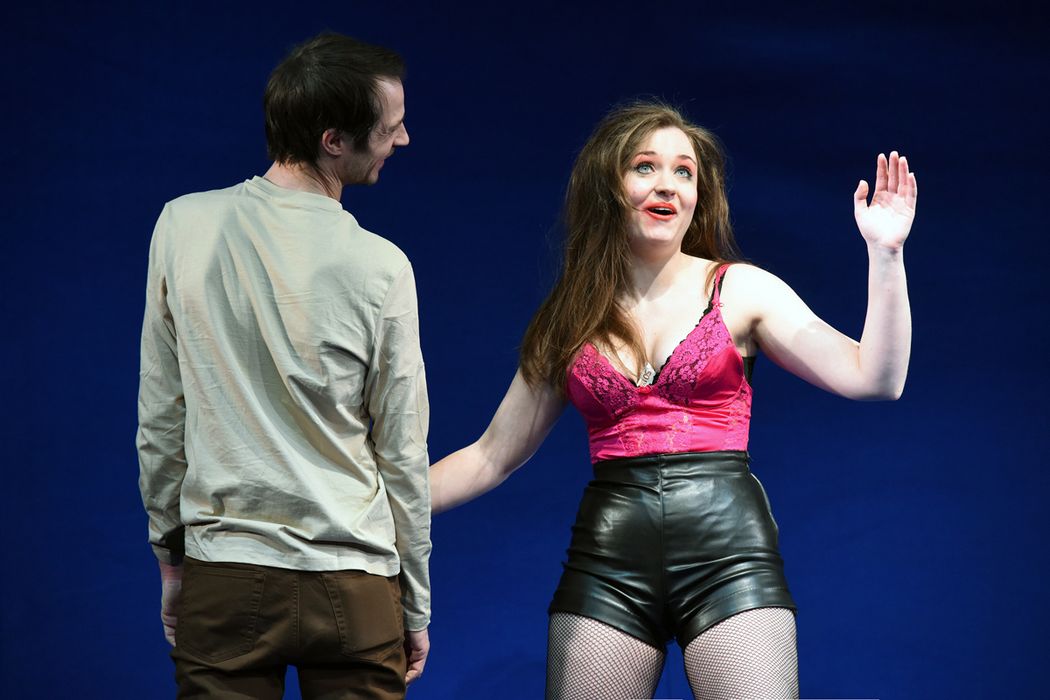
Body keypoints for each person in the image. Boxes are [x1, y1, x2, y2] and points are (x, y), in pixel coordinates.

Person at [429, 102, 915, 699]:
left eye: (684, 172)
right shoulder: (569, 316)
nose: (667, 185)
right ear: (609, 185)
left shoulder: (741, 289)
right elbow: (490, 456)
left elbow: (875, 378)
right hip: (608, 566)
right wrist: (378, 507)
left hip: (728, 558)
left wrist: (886, 254)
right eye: (645, 167)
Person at [137, 32, 430, 699]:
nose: (403, 138)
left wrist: (171, 561)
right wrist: (415, 603)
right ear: (334, 140)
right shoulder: (383, 266)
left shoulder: (182, 226)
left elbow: (161, 417)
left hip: (224, 575)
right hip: (357, 587)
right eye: (390, 127)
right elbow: (402, 453)